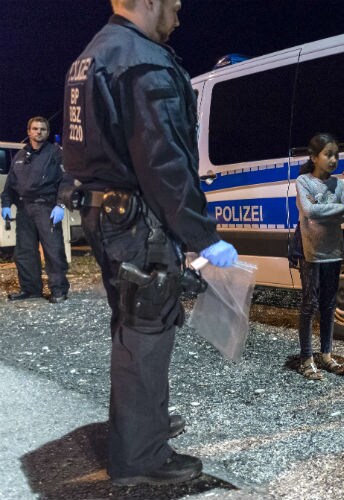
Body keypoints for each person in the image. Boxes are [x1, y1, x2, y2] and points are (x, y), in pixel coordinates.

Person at [62, 0, 238, 486]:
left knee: (132, 322)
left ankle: (143, 426)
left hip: (107, 213)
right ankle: (140, 457)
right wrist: (203, 235)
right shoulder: (140, 60)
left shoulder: (94, 53)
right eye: (175, 6)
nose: (178, 17)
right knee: (147, 329)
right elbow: (163, 160)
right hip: (135, 219)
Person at [295, 133, 344, 380]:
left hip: (333, 251)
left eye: (336, 155)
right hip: (311, 252)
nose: (333, 160)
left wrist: (326, 211)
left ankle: (326, 355)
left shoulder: (338, 184)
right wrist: (338, 208)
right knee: (309, 304)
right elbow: (308, 211)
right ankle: (306, 358)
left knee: (329, 304)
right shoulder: (303, 181)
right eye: (328, 154)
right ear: (314, 157)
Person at [1, 116, 70, 303]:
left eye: (43, 129)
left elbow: (66, 179)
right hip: (24, 209)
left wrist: (60, 204)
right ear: (28, 132)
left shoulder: (55, 153)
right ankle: (31, 289)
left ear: (47, 133)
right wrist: (5, 203)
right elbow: (11, 184)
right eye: (35, 128)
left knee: (53, 250)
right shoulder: (20, 155)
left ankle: (59, 290)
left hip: (46, 207)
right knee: (24, 252)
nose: (39, 132)